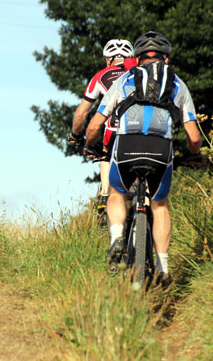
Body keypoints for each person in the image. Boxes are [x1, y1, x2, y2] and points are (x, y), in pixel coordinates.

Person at [84, 31, 203, 284]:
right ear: (166, 59)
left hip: (126, 146)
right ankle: (163, 266)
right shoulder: (178, 85)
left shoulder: (124, 80)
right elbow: (193, 137)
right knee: (159, 205)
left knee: (116, 192)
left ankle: (117, 236)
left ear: (137, 59)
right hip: (161, 151)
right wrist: (195, 155)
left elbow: (95, 126)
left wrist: (90, 145)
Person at [67, 39, 136, 212]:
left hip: (114, 132)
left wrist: (76, 135)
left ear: (107, 59)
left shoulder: (101, 76)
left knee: (105, 151)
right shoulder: (141, 72)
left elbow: (81, 113)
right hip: (145, 129)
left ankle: (105, 193)